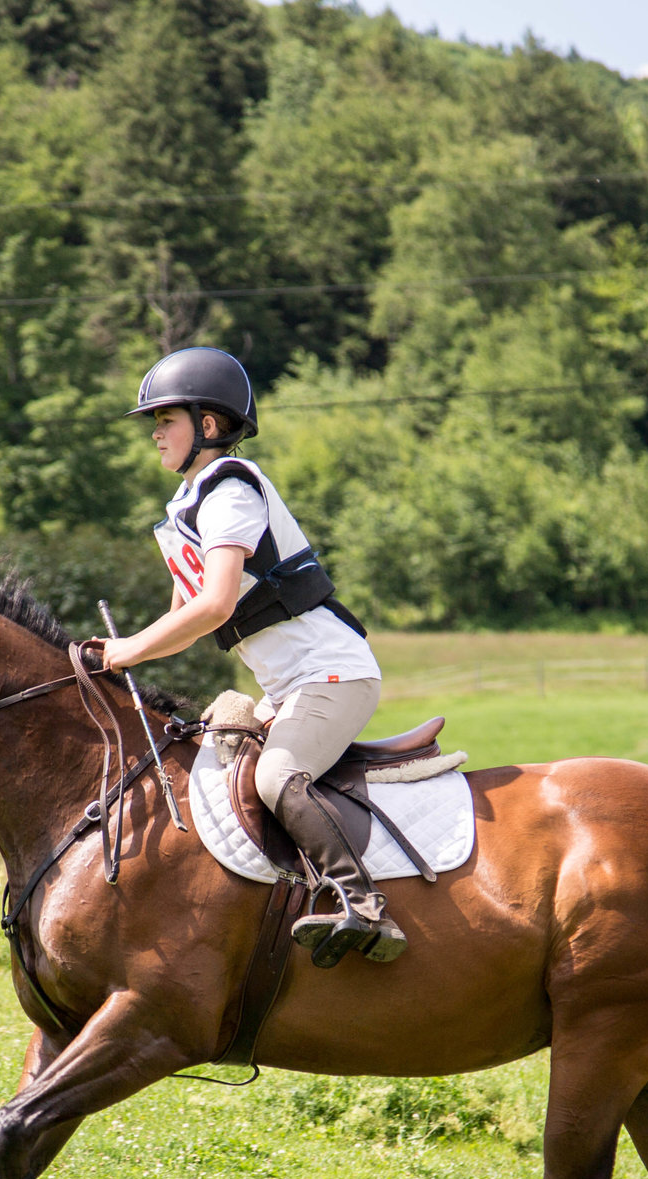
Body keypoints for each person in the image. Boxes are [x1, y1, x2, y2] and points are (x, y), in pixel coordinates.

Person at [98, 346, 405, 966]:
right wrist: (111, 651)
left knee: (275, 779)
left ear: (209, 426)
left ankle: (363, 905)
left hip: (331, 673)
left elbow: (211, 607)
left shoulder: (228, 492)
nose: (155, 433)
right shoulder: (184, 510)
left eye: (168, 420)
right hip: (288, 685)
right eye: (154, 422)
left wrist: (129, 651)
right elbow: (181, 617)